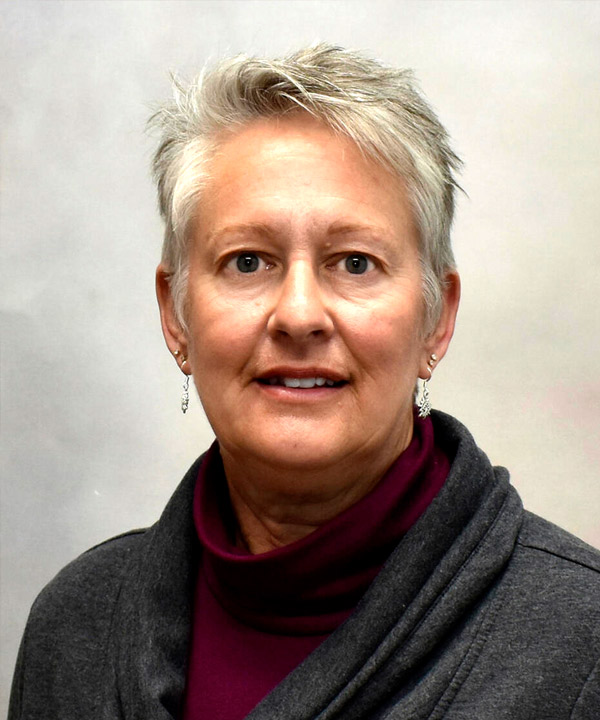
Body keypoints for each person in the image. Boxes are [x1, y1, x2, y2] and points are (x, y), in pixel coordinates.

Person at [9, 44, 599, 720]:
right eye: (247, 261)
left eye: (355, 262)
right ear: (176, 315)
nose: (297, 315)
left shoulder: (582, 644)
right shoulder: (75, 626)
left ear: (436, 320)